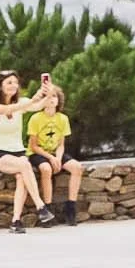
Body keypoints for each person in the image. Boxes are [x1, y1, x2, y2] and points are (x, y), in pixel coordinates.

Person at [0, 70, 56, 232]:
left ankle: (16, 222)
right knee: (24, 165)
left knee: (22, 175)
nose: (13, 86)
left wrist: (48, 94)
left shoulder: (21, 102)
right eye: (9, 83)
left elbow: (39, 106)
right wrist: (32, 100)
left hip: (17, 152)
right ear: (0, 86)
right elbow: (5, 110)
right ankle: (41, 206)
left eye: (15, 83)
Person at [26, 77, 85, 223]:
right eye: (48, 96)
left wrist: (58, 157)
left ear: (59, 101)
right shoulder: (35, 118)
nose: (51, 99)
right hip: (38, 153)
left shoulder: (63, 119)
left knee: (77, 167)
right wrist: (51, 158)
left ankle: (70, 206)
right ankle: (47, 208)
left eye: (54, 96)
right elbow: (34, 146)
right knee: (46, 169)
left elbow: (61, 144)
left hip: (55, 152)